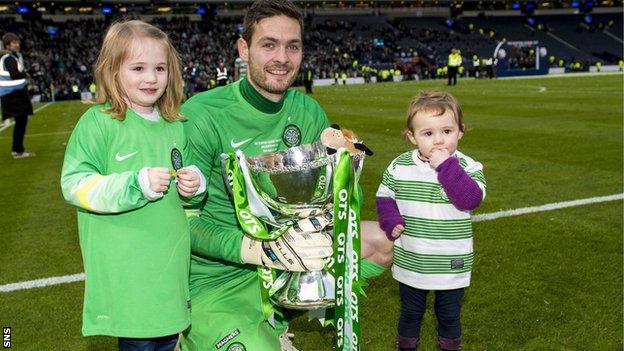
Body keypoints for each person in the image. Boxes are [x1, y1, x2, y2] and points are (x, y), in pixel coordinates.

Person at [179, 1, 392, 350]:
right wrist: (258, 249)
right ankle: (201, 334)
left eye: (292, 46)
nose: (282, 57)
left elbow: (334, 200)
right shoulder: (201, 115)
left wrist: (343, 168)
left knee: (382, 242)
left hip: (287, 259)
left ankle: (282, 313)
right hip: (217, 280)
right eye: (269, 44)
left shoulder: (307, 110)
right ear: (243, 49)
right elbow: (184, 224)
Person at [60, 20, 206, 351]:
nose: (151, 78)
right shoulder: (99, 123)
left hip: (168, 267)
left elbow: (189, 201)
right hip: (130, 271)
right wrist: (134, 183)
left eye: (160, 68)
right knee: (141, 343)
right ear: (113, 71)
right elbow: (74, 185)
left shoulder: (175, 126)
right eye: (138, 68)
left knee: (168, 339)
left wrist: (195, 184)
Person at [375, 91, 486, 351]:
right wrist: (391, 220)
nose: (439, 140)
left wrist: (445, 166)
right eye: (428, 134)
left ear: (460, 132)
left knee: (448, 314)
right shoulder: (400, 166)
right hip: (412, 260)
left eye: (447, 131)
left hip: (451, 262)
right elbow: (384, 196)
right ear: (411, 137)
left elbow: (469, 199)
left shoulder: (469, 167)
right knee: (411, 313)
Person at [1, 32, 34, 158]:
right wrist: (29, 72)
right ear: (8, 46)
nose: (17, 44)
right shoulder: (9, 58)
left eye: (17, 42)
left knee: (21, 122)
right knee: (21, 122)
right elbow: (14, 75)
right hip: (14, 95)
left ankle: (17, 149)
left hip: (14, 94)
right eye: (14, 43)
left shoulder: (13, 57)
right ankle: (18, 151)